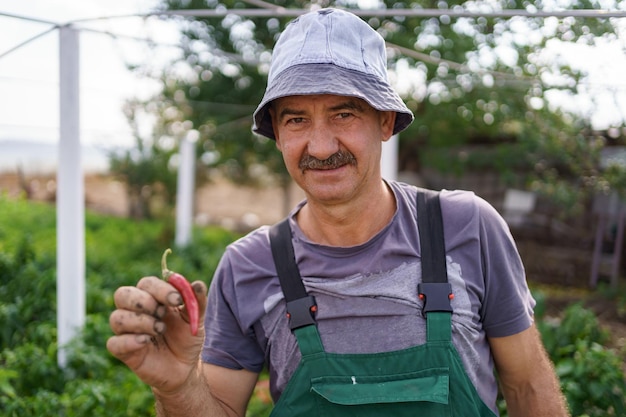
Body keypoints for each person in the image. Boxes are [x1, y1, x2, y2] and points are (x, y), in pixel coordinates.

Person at [107, 8, 570, 417]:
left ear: (385, 121)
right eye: (296, 119)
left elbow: (528, 386)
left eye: (343, 114)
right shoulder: (249, 265)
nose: (321, 146)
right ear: (276, 133)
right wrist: (178, 386)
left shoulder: (466, 227)